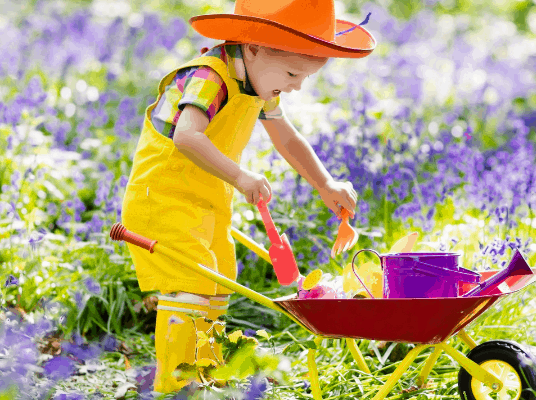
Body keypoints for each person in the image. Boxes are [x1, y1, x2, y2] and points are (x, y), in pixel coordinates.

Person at [120, 0, 376, 393]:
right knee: (194, 285)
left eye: (303, 77)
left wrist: (325, 183)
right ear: (254, 45)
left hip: (207, 201)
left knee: (221, 281)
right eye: (292, 72)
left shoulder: (255, 80)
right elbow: (188, 136)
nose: (295, 85)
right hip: (163, 198)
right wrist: (240, 176)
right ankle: (172, 387)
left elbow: (286, 137)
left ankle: (202, 376)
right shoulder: (210, 77)